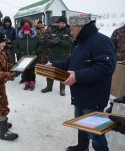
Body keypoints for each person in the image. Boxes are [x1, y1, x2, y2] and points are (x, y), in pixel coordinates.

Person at [49, 15, 116, 151]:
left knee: (94, 132)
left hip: (93, 97)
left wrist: (77, 76)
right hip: (79, 94)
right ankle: (82, 146)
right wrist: (54, 65)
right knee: (80, 123)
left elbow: (106, 67)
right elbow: (70, 63)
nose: (70, 32)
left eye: (72, 29)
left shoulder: (102, 41)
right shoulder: (79, 42)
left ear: (81, 27)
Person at [41, 16, 73, 96]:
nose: (61, 24)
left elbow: (70, 44)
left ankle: (62, 89)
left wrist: (59, 42)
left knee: (62, 73)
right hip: (53, 56)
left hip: (64, 57)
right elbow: (47, 42)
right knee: (50, 72)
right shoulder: (53, 31)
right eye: (60, 23)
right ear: (57, 23)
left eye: (63, 23)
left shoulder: (69, 31)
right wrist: (53, 42)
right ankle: (49, 87)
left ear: (65, 23)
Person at [14, 23, 43, 91]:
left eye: (27, 30)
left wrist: (36, 52)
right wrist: (19, 53)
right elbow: (15, 47)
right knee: (26, 72)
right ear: (23, 31)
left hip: (32, 58)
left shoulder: (35, 37)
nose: (26, 32)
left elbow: (40, 45)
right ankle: (27, 84)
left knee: (32, 72)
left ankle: (32, 84)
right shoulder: (19, 38)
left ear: (30, 30)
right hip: (23, 58)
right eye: (25, 31)